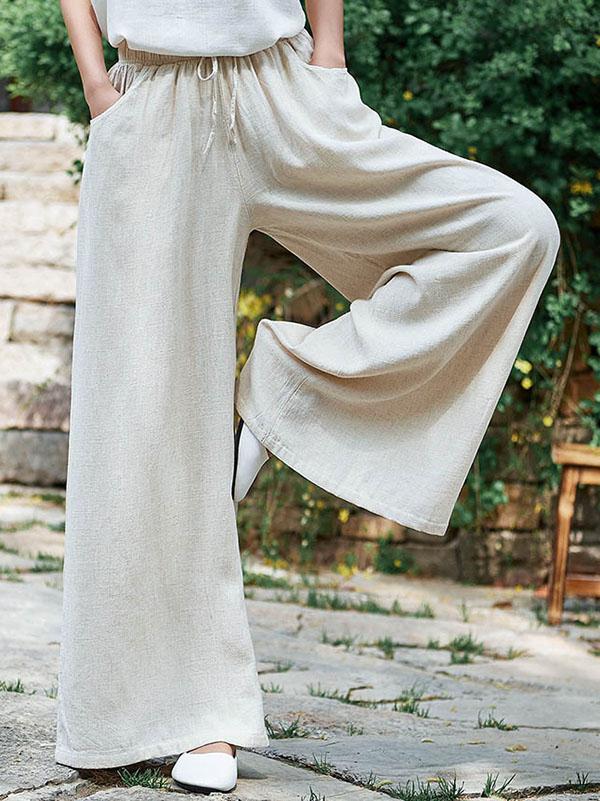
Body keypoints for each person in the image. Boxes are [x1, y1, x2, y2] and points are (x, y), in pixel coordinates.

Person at [56, 0, 560, 793]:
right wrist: (96, 82)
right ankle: (189, 716)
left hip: (284, 89)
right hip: (151, 100)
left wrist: (330, 55)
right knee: (140, 412)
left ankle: (287, 388)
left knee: (511, 228)